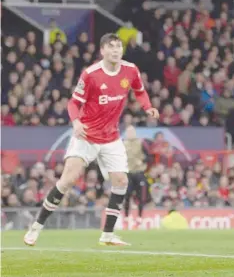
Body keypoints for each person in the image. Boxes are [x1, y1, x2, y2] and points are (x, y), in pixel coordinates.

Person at [23, 33, 159, 246]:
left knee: (121, 181)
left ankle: (107, 234)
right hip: (86, 136)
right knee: (67, 180)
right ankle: (36, 227)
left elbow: (140, 91)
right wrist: (76, 122)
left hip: (111, 137)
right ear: (102, 50)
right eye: (111, 47)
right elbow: (73, 104)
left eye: (118, 47)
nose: (116, 50)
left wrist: (148, 107)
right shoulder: (91, 74)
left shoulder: (130, 70)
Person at [123, 125, 148, 217]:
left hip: (139, 172)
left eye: (132, 132)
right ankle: (126, 216)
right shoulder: (123, 143)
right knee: (126, 196)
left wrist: (142, 161)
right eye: (128, 132)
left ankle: (140, 216)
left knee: (141, 196)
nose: (130, 134)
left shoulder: (141, 142)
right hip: (128, 173)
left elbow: (149, 156)